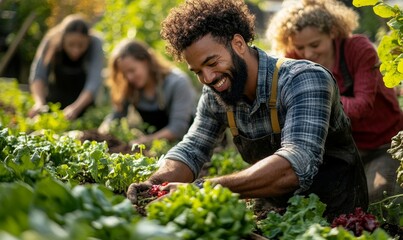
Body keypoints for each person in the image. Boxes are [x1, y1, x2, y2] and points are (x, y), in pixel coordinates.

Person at [127, 0, 368, 220]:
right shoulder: (216, 93)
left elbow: (295, 164)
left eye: (212, 63)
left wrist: (201, 188)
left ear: (239, 44)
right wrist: (156, 182)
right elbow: (193, 148)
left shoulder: (303, 80)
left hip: (338, 216)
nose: (208, 77)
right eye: (198, 71)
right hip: (276, 215)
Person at [266, 0, 403, 203]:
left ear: (331, 33)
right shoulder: (294, 58)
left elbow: (361, 107)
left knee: (378, 197)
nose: (308, 54)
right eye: (300, 47)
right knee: (316, 201)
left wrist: (316, 98)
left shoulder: (358, 49)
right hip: (338, 152)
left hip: (381, 146)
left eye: (315, 45)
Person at [98, 39, 197, 145]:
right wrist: (102, 131)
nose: (129, 77)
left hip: (187, 145)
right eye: (124, 74)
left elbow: (178, 128)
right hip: (155, 146)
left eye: (132, 70)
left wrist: (146, 141)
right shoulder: (131, 87)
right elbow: (117, 115)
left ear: (146, 61)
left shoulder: (177, 82)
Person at [28, 13, 104, 120]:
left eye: (81, 45)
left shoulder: (95, 43)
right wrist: (39, 103)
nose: (75, 51)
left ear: (88, 40)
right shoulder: (51, 39)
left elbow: (94, 81)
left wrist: (76, 108)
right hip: (54, 103)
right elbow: (38, 75)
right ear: (63, 40)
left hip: (83, 107)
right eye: (71, 45)